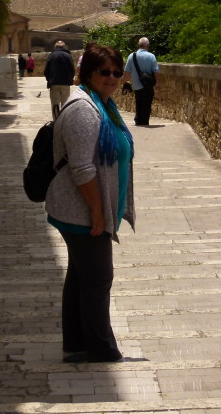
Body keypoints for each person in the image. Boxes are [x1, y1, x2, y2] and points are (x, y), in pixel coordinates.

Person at [44, 42, 135, 364]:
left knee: (81, 276)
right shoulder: (85, 109)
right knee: (98, 278)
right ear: (87, 73)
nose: (111, 78)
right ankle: (100, 349)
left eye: (116, 72)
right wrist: (98, 212)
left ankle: (77, 343)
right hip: (82, 211)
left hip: (81, 210)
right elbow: (82, 167)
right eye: (103, 72)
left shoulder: (101, 104)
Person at [123, 37, 159, 127]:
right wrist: (158, 83)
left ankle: (138, 121)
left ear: (139, 45)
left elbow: (127, 72)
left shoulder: (132, 56)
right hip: (148, 85)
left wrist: (124, 82)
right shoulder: (151, 56)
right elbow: (156, 72)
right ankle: (145, 121)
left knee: (138, 103)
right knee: (147, 104)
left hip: (137, 85)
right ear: (148, 45)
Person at [45, 41, 75, 118]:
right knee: (65, 103)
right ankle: (64, 121)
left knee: (55, 103)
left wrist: (49, 79)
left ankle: (56, 121)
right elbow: (72, 69)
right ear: (64, 47)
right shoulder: (68, 55)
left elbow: (46, 70)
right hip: (65, 83)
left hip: (54, 82)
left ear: (55, 47)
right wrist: (70, 79)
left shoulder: (51, 55)